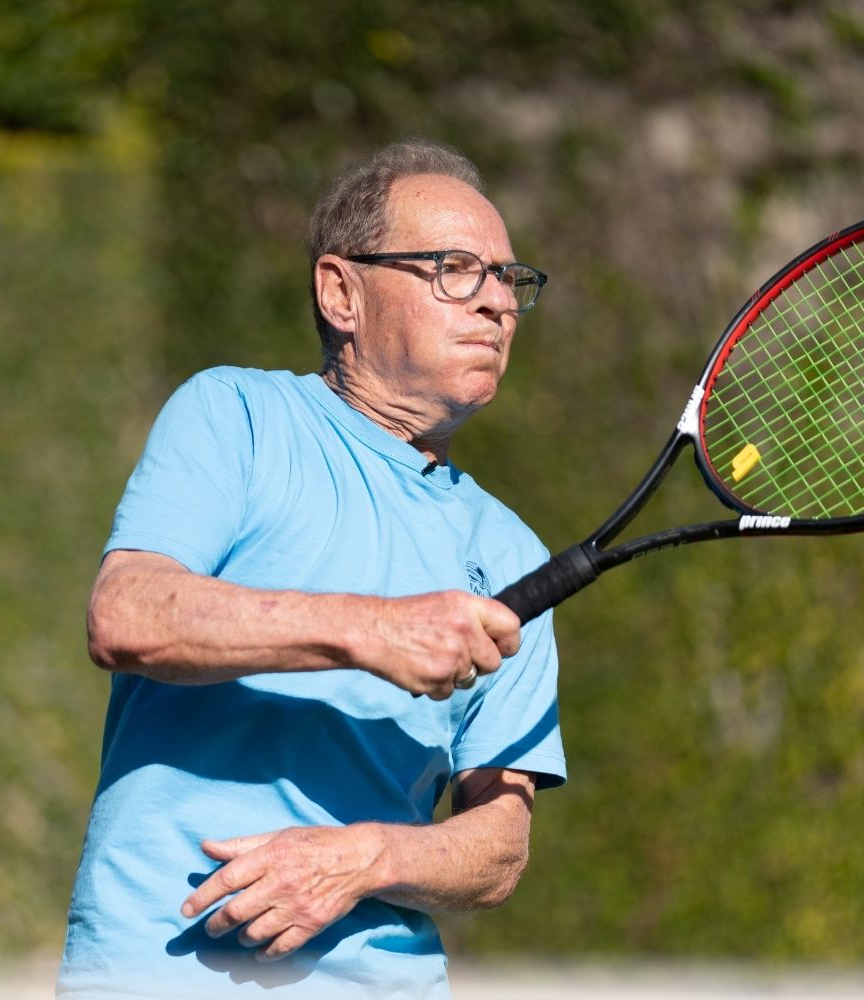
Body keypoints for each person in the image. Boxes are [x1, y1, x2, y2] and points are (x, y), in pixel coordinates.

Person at [57, 139, 566, 1000]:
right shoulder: (237, 417)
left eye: (508, 280)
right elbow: (127, 613)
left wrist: (363, 858)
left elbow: (499, 847)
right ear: (342, 292)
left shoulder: (512, 552)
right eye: (452, 269)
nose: (494, 304)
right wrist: (371, 630)